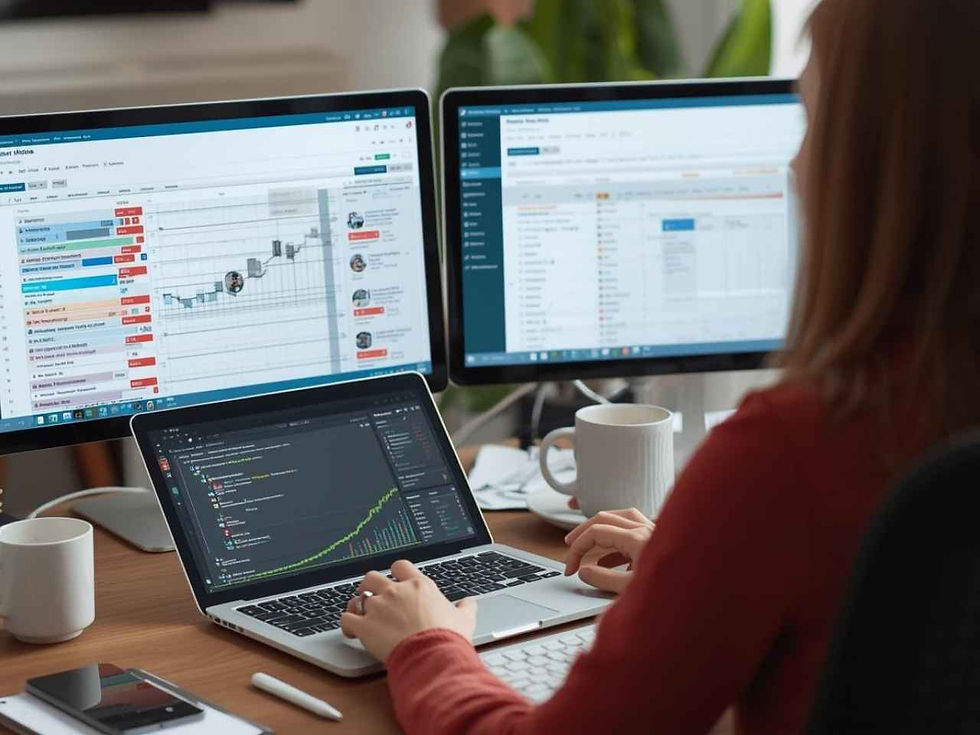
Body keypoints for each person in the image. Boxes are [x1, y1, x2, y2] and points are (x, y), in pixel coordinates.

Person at [339, 0, 980, 732]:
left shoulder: (789, 454)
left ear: (875, 165)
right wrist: (701, 568)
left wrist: (427, 643)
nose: (798, 164)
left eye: (815, 120)